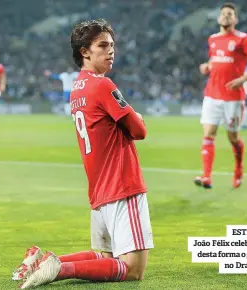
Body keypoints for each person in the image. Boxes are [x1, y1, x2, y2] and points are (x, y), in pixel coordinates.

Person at [13, 19, 154, 289]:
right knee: (134, 269)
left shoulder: (77, 88)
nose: (111, 51)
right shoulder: (103, 85)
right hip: (122, 185)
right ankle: (59, 269)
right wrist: (136, 116)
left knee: (104, 257)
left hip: (99, 188)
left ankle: (43, 261)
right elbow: (139, 131)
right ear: (85, 52)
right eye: (103, 45)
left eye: (112, 45)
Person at [194, 2, 247, 189]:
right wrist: (206, 67)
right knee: (208, 134)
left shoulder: (243, 39)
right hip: (212, 95)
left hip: (233, 97)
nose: (226, 16)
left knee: (233, 138)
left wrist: (243, 80)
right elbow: (215, 59)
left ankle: (239, 168)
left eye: (230, 14)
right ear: (218, 18)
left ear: (236, 19)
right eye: (223, 14)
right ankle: (207, 177)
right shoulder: (213, 39)